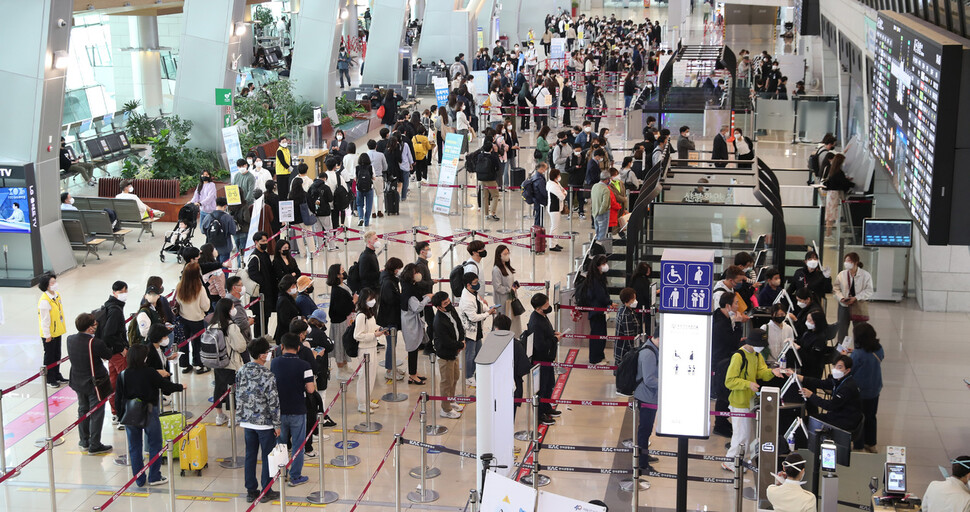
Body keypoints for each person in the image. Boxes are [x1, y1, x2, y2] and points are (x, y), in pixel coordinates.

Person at [117, 344, 184, 487]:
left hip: (130, 414)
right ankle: (154, 476)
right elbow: (165, 386)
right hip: (149, 411)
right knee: (155, 444)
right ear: (144, 358)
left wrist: (121, 415)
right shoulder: (149, 372)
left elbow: (118, 398)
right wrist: (180, 387)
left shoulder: (123, 374)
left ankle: (139, 479)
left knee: (134, 447)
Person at [721, 328, 787, 472]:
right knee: (740, 435)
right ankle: (729, 461)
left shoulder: (757, 355)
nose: (761, 347)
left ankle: (740, 460)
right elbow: (729, 381)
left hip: (750, 402)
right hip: (738, 402)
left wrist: (772, 372)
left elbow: (761, 372)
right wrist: (747, 384)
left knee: (747, 435)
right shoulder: (739, 356)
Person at [235, 336, 281, 504]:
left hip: (247, 421)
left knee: (250, 455)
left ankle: (251, 490)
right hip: (264, 423)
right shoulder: (267, 375)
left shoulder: (241, 370)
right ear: (262, 355)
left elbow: (239, 394)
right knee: (268, 456)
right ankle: (267, 490)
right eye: (267, 352)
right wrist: (277, 424)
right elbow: (273, 402)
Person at [270, 333, 315, 487]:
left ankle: (281, 473)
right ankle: (295, 477)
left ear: (281, 347)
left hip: (279, 410)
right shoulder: (305, 366)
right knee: (298, 445)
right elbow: (310, 389)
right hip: (298, 410)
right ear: (298, 347)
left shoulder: (274, 363)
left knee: (280, 444)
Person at [67, 313, 113, 454]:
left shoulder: (70, 339)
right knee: (96, 413)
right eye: (94, 324)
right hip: (95, 384)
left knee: (83, 409)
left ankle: (84, 440)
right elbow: (108, 355)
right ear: (90, 328)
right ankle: (95, 444)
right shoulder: (95, 343)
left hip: (77, 381)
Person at [209, 298, 249, 426]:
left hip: (216, 362)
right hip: (231, 363)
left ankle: (219, 415)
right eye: (232, 307)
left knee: (219, 388)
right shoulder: (231, 327)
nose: (234, 310)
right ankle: (234, 417)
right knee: (233, 390)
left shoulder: (211, 326)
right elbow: (241, 346)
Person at [844, 322, 883, 452]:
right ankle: (871, 443)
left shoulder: (857, 355)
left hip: (860, 392)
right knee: (871, 416)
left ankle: (859, 445)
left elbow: (851, 369)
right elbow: (872, 357)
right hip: (875, 389)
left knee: (859, 418)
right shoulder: (879, 349)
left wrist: (845, 357)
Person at [798, 354, 862, 432]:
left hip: (844, 420)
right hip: (838, 415)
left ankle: (812, 442)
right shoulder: (839, 380)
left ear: (847, 370)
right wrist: (801, 378)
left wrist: (811, 395)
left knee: (807, 421)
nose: (835, 369)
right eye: (834, 366)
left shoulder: (847, 387)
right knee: (808, 419)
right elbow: (821, 383)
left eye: (839, 367)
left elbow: (830, 406)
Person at [711, 292, 744, 437]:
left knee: (725, 393)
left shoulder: (721, 316)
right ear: (728, 305)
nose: (738, 306)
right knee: (724, 394)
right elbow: (732, 341)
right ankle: (720, 424)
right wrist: (738, 324)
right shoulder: (720, 323)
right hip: (721, 362)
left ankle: (723, 421)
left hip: (724, 359)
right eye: (736, 303)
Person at [528, 293, 562, 425]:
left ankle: (547, 408)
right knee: (541, 387)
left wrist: (553, 334)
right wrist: (554, 340)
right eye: (546, 305)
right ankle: (540, 414)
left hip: (548, 359)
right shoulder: (535, 321)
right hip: (541, 360)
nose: (548, 307)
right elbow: (540, 345)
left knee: (549, 386)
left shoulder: (542, 316)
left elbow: (546, 333)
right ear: (538, 308)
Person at [458, 273, 496, 387]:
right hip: (469, 331)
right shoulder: (466, 299)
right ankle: (468, 377)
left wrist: (487, 309)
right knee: (470, 354)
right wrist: (487, 314)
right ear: (468, 285)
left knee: (478, 352)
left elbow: (479, 303)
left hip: (477, 329)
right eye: (475, 283)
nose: (477, 284)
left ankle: (475, 372)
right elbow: (473, 317)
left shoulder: (472, 293)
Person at [432, 291, 465, 418]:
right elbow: (445, 341)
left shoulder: (451, 310)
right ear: (439, 307)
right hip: (446, 354)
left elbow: (459, 325)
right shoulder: (438, 321)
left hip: (455, 351)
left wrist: (461, 340)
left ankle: (451, 400)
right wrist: (460, 346)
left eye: (448, 301)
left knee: (455, 377)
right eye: (445, 303)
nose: (448, 304)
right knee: (447, 381)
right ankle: (445, 409)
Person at [353, 288, 384, 412]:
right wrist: (374, 335)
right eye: (370, 299)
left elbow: (372, 327)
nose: (373, 301)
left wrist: (379, 329)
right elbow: (357, 335)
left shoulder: (369, 312)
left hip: (372, 347)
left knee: (371, 376)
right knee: (364, 377)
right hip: (365, 349)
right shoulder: (361, 316)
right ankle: (362, 403)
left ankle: (367, 399)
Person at [398, 263, 430, 384]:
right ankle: (412, 374)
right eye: (416, 272)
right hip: (410, 322)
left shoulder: (409, 285)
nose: (418, 274)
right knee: (412, 348)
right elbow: (417, 307)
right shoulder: (409, 290)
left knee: (415, 348)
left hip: (412, 320)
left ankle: (414, 372)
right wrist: (428, 298)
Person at [176, 262, 211, 374]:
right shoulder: (200, 289)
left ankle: (184, 364)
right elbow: (205, 306)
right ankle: (198, 364)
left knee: (184, 342)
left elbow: (177, 301)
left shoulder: (180, 286)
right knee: (198, 343)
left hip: (183, 318)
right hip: (197, 320)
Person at [634, 333, 660, 472]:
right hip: (646, 397)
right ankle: (642, 463)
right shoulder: (649, 353)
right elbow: (649, 379)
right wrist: (665, 383)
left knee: (647, 429)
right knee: (644, 430)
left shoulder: (653, 349)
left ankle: (644, 455)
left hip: (649, 396)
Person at [833, 252, 873, 342]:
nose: (847, 263)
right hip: (844, 305)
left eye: (849, 261)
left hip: (858, 305)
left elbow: (869, 290)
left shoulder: (865, 275)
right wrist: (841, 298)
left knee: (860, 330)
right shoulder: (842, 274)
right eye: (846, 260)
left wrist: (856, 297)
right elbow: (836, 288)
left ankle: (859, 350)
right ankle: (842, 350)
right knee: (842, 329)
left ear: (856, 262)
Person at [37, 273, 68, 387]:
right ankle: (49, 378)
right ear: (46, 285)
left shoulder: (57, 295)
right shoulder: (44, 301)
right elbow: (44, 320)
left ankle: (56, 374)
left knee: (57, 354)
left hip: (58, 331)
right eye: (52, 282)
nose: (55, 284)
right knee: (49, 356)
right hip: (49, 334)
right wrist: (47, 335)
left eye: (55, 281)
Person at [327, 263, 356, 372]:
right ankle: (340, 370)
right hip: (339, 321)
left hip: (346, 320)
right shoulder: (337, 291)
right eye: (341, 270)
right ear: (337, 275)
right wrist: (354, 302)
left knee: (345, 344)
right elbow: (341, 308)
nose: (344, 271)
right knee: (340, 344)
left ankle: (345, 366)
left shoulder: (343, 285)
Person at [247, 232, 277, 337]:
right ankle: (259, 338)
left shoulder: (265, 254)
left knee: (266, 315)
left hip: (267, 293)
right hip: (260, 294)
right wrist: (264, 283)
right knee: (259, 318)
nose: (265, 243)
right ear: (256, 242)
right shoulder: (255, 257)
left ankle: (265, 334)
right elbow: (253, 274)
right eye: (263, 241)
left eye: (266, 240)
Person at [584, 254, 611, 364]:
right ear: (597, 266)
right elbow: (600, 295)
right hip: (596, 311)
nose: (605, 266)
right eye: (603, 264)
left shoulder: (600, 278)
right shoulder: (595, 279)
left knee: (602, 334)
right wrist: (609, 302)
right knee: (597, 335)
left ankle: (600, 355)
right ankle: (595, 358)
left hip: (600, 311)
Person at [491, 245, 522, 334]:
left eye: (508, 253)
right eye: (505, 254)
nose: (507, 255)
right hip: (503, 301)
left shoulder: (507, 267)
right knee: (505, 322)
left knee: (513, 321)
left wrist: (514, 286)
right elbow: (497, 287)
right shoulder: (496, 270)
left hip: (511, 299)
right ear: (499, 255)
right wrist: (509, 289)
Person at [823, 154, 855, 237]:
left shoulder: (832, 170)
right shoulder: (839, 172)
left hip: (831, 194)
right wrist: (852, 184)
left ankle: (828, 233)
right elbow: (843, 182)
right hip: (835, 194)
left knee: (830, 214)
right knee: (832, 214)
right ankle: (828, 234)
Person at [614, 287, 642, 374]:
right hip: (625, 351)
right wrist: (634, 351)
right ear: (628, 299)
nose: (635, 301)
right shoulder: (626, 314)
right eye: (634, 298)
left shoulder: (625, 309)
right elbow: (629, 336)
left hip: (621, 350)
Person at [202, 197, 237, 264]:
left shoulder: (209, 216)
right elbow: (233, 231)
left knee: (214, 267)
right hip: (225, 246)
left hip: (212, 247)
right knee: (224, 266)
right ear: (225, 206)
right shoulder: (228, 217)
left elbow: (203, 230)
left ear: (216, 204)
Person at [275, 275, 301, 342]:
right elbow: (285, 320)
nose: (295, 288)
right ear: (287, 286)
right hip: (285, 336)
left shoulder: (288, 297)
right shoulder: (283, 300)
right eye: (292, 286)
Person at [590, 170, 613, 240]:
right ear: (607, 180)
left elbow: (592, 199)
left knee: (597, 232)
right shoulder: (605, 189)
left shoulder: (594, 186)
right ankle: (600, 249)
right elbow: (605, 204)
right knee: (602, 234)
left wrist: (596, 212)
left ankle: (596, 247)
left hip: (595, 213)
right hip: (603, 214)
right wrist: (601, 212)